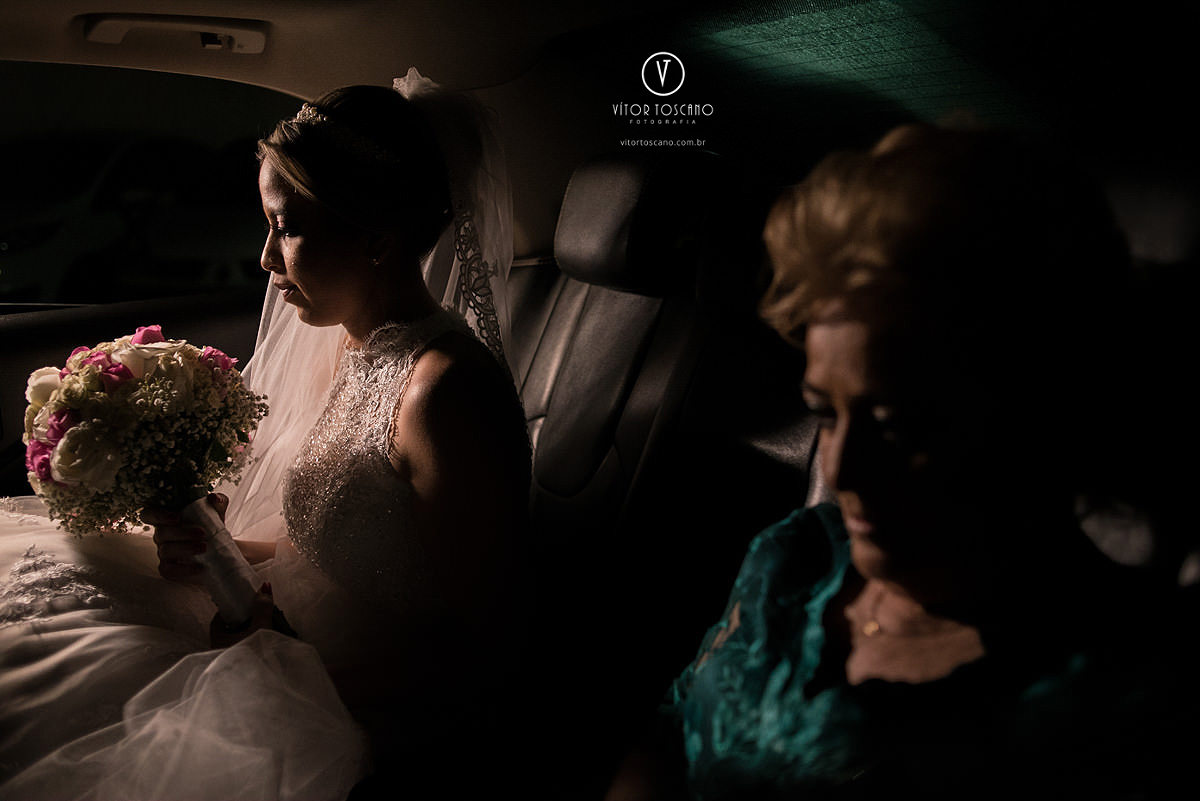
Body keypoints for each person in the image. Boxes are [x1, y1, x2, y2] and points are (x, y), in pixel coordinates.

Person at [604, 123, 1199, 801]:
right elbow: (670, 731)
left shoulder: (1122, 701)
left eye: (899, 424)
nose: (843, 472)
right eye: (826, 413)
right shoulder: (796, 557)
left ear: (1040, 407)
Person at [0, 72, 531, 800]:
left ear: (376, 234)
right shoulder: (350, 345)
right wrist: (219, 550)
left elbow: (482, 650)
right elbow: (347, 554)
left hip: (361, 698)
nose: (265, 259)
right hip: (276, 633)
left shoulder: (446, 392)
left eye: (287, 227)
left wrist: (279, 663)